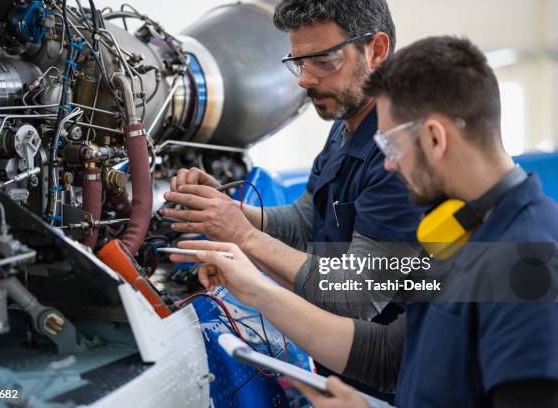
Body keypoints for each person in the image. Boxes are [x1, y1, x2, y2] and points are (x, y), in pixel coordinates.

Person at [170, 36, 558, 407]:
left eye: (390, 145)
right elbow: (392, 356)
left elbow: (360, 297)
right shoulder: (463, 232)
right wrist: (255, 290)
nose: (388, 163)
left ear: (435, 139)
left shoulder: (528, 260)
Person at [163, 0, 423, 321]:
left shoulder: (406, 153)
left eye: (324, 61)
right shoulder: (348, 124)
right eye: (300, 63)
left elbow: (358, 296)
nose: (305, 81)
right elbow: (305, 222)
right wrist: (228, 210)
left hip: (397, 365)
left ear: (377, 50)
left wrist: (243, 237)